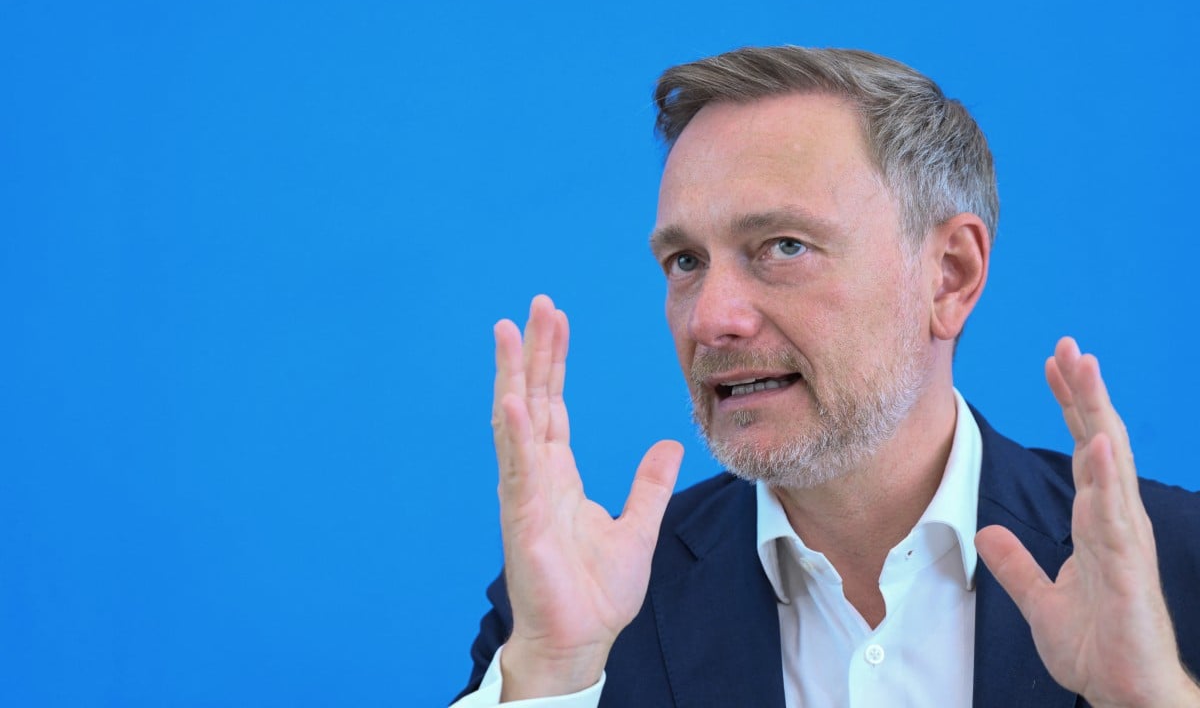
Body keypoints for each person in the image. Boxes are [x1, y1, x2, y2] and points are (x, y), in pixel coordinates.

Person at [450, 46, 1200, 707]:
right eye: (686, 262)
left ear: (948, 276)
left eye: (782, 246)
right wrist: (552, 674)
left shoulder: (1180, 563)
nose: (712, 318)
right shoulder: (577, 613)